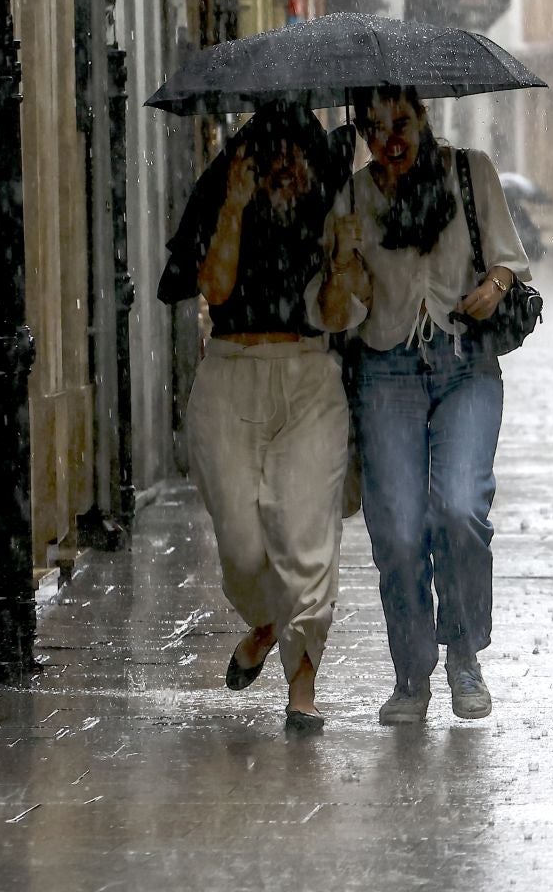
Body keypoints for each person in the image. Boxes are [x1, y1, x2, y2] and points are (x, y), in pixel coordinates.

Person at [157, 103, 366, 735]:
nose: (286, 167)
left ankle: (302, 690)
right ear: (248, 157)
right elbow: (214, 291)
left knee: (305, 537)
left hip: (308, 377)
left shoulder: (333, 200)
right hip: (230, 375)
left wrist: (342, 257)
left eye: (296, 155)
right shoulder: (225, 191)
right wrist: (234, 207)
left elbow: (335, 314)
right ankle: (271, 621)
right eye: (271, 155)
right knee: (244, 551)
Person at [331, 87, 531, 725]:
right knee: (395, 529)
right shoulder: (355, 196)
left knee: (461, 508)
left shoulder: (470, 174)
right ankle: (411, 673)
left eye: (401, 124)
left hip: (464, 366)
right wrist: (345, 266)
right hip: (383, 371)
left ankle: (465, 655)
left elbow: (509, 261)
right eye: (374, 128)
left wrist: (493, 287)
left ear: (423, 119)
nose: (390, 140)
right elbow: (343, 304)